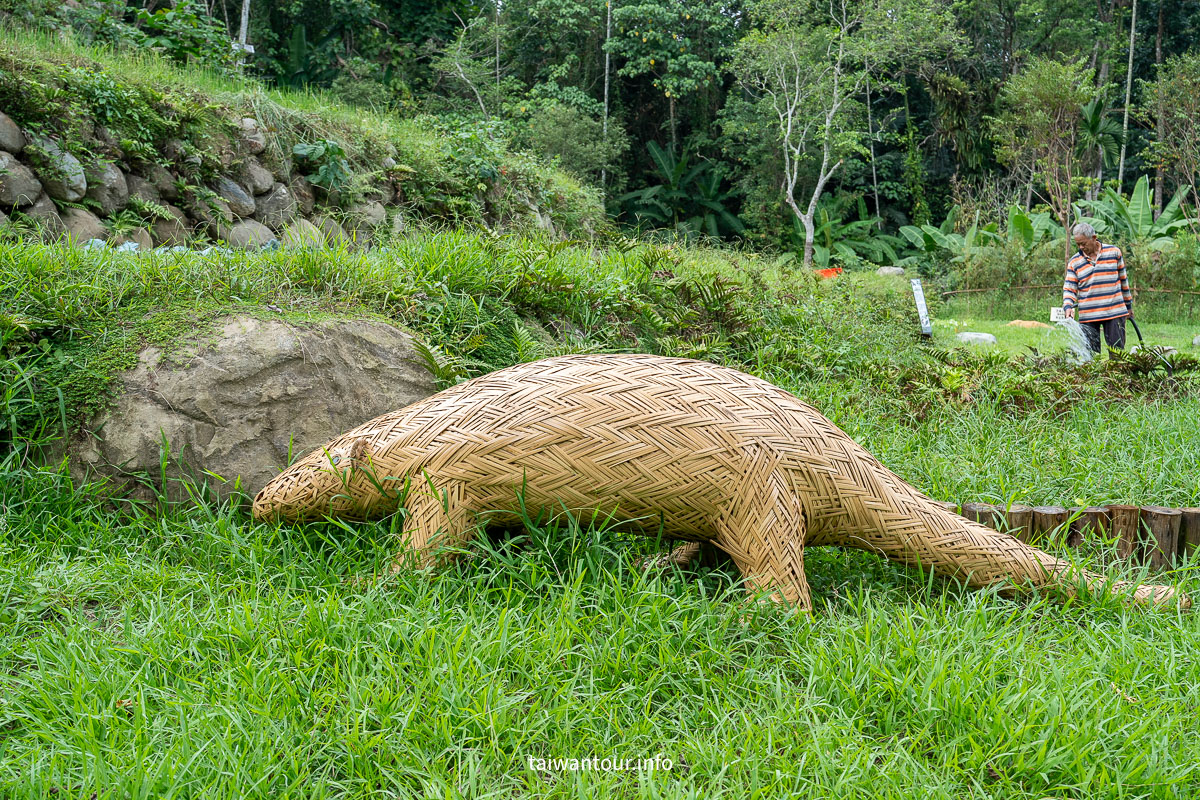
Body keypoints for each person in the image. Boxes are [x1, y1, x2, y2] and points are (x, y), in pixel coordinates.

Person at [1063, 222, 1133, 354]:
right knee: (1091, 357)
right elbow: (1069, 288)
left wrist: (1128, 306)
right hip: (1089, 315)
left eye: (1083, 243)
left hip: (1114, 312)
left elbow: (1124, 282)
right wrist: (1068, 307)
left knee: (1117, 354)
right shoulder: (1074, 262)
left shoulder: (1114, 253)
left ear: (1094, 238)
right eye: (1078, 244)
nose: (1081, 247)